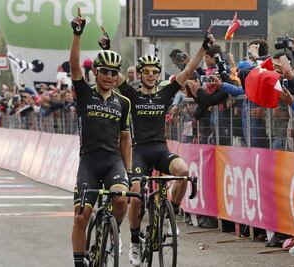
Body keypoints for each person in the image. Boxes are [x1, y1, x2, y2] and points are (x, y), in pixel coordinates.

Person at [114, 33, 214, 266]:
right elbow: (115, 76)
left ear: (158, 74)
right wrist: (107, 48)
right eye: (146, 71)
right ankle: (136, 243)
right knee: (137, 194)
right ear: (140, 74)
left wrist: (203, 47)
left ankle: (171, 215)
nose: (150, 75)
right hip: (139, 151)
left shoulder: (165, 93)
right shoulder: (132, 95)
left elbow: (189, 70)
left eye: (154, 71)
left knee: (183, 171)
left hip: (160, 149)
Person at [69, 10, 131, 267]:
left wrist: (129, 173)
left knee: (121, 199)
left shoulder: (123, 102)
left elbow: (125, 140)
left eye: (114, 72)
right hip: (89, 163)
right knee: (81, 216)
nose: (109, 76)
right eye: (105, 71)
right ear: (96, 72)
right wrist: (77, 35)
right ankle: (79, 260)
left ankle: (112, 230)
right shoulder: (85, 93)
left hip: (113, 161)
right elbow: (74, 66)